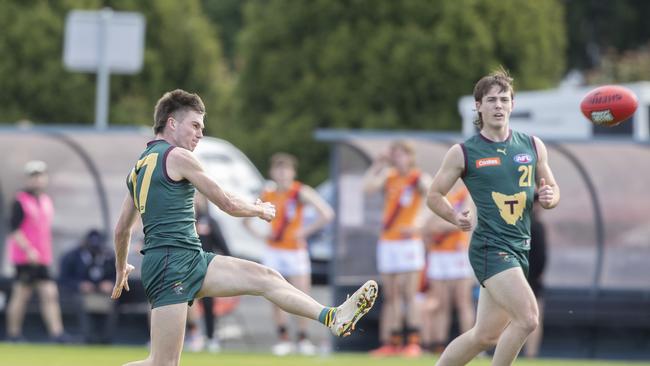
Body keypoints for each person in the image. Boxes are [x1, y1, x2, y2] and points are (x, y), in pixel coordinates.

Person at [111, 89, 377, 366]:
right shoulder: (177, 156)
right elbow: (225, 201)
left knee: (265, 277)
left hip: (189, 259)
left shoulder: (138, 168)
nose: (200, 133)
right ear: (171, 122)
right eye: (195, 125)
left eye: (202, 127)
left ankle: (333, 317)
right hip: (169, 263)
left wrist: (121, 269)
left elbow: (121, 230)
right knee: (163, 364)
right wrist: (258, 208)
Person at [426, 67, 560, 366]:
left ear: (512, 104)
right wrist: (454, 216)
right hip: (490, 247)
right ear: (479, 106)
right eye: (491, 100)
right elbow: (433, 196)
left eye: (504, 99)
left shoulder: (533, 145)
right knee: (527, 319)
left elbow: (550, 187)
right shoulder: (464, 152)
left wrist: (550, 197)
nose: (498, 105)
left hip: (519, 248)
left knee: (484, 336)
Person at [244, 152, 335, 356]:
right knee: (273, 293)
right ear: (272, 173)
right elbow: (246, 218)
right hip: (274, 250)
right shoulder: (267, 193)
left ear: (293, 172)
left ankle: (303, 337)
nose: (282, 174)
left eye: (286, 170)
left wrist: (305, 232)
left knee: (302, 293)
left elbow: (326, 213)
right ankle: (282, 337)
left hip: (295, 251)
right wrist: (260, 235)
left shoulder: (300, 192)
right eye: (279, 169)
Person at [363, 140, 431, 358]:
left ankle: (413, 341)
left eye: (402, 154)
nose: (398, 158)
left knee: (409, 293)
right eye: (395, 154)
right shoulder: (389, 176)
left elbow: (435, 200)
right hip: (388, 241)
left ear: (410, 157)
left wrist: (419, 224)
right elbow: (366, 189)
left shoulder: (419, 178)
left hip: (409, 242)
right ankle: (391, 342)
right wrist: (377, 164)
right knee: (391, 294)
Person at [5, 160, 68, 343]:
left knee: (49, 293)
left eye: (40, 176)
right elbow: (14, 230)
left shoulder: (46, 200)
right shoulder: (20, 200)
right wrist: (28, 249)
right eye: (33, 176)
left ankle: (57, 333)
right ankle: (14, 334)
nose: (37, 180)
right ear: (27, 179)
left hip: (42, 257)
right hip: (25, 257)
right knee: (21, 295)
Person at [421, 185, 475, 353]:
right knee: (441, 303)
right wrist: (452, 222)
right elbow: (427, 226)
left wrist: (442, 224)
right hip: (439, 254)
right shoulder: (438, 194)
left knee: (463, 301)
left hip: (458, 253)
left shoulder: (465, 194)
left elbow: (467, 221)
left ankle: (471, 346)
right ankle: (439, 345)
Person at [185, 193, 232, 353]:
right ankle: (193, 335)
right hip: (184, 269)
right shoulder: (180, 222)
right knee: (185, 302)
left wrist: (228, 268)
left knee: (208, 303)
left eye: (197, 197)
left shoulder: (209, 221)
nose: (194, 200)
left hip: (205, 268)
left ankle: (211, 337)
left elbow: (224, 247)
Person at [59, 229, 116, 344]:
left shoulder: (109, 256)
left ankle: (106, 338)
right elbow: (64, 278)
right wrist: (79, 285)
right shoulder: (72, 256)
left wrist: (111, 283)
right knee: (81, 302)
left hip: (104, 294)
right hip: (80, 294)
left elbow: (119, 275)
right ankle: (88, 337)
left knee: (113, 301)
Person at [524, 194, 548, 358]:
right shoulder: (537, 226)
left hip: (518, 275)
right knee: (534, 318)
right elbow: (542, 256)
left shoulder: (520, 224)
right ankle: (531, 354)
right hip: (531, 277)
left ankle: (529, 354)